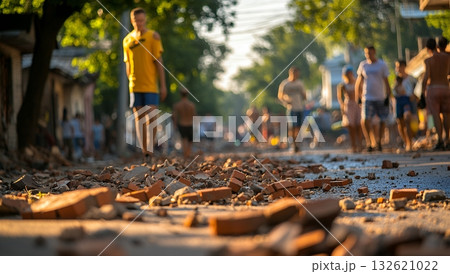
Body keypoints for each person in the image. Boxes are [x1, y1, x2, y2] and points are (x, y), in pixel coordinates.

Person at [123, 7, 167, 160]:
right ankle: (144, 151)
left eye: (141, 21)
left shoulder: (153, 36)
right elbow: (127, 64)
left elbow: (159, 62)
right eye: (136, 21)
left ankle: (151, 146)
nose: (139, 24)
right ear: (132, 21)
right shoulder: (127, 40)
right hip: (134, 86)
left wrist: (163, 85)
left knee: (152, 116)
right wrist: (130, 81)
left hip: (151, 86)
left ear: (145, 20)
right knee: (139, 119)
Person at [355, 46, 391, 152]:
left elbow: (386, 81)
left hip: (380, 97)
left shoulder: (382, 65)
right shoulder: (363, 65)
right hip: (367, 97)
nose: (368, 55)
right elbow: (359, 82)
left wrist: (388, 96)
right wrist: (358, 96)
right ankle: (369, 142)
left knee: (382, 120)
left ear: (374, 52)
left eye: (370, 53)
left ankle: (379, 141)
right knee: (366, 120)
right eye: (366, 53)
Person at [421, 38, 450, 150]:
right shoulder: (447, 58)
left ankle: (440, 140)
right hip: (446, 88)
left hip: (433, 89)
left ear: (428, 48)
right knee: (447, 114)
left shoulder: (428, 60)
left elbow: (426, 77)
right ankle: (448, 139)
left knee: (436, 115)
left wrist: (422, 92)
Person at [278, 66, 307, 152]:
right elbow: (280, 96)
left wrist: (304, 97)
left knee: (298, 127)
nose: (296, 75)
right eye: (295, 73)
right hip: (291, 108)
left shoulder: (300, 83)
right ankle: (294, 144)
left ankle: (297, 143)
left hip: (300, 107)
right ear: (291, 73)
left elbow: (304, 95)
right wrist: (286, 101)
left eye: (298, 73)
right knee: (292, 126)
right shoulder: (285, 84)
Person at [337, 65, 362, 153]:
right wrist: (342, 107)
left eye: (350, 73)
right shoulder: (342, 85)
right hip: (348, 105)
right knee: (351, 127)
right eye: (347, 73)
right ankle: (353, 145)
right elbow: (340, 98)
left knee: (359, 125)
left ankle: (360, 144)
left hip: (358, 105)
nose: (349, 75)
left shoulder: (357, 82)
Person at [172, 88, 196, 158]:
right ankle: (188, 153)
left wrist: (175, 125)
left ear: (180, 95)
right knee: (190, 141)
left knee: (184, 140)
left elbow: (175, 116)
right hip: (190, 124)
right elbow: (194, 115)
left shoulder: (177, 105)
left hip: (182, 124)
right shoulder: (191, 105)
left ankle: (185, 154)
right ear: (188, 95)